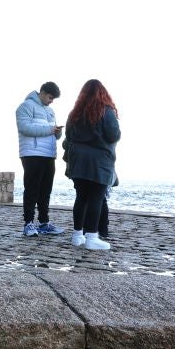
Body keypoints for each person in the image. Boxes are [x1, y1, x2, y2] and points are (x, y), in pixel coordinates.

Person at [62, 79, 121, 250]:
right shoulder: (106, 111)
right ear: (102, 93)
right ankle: (92, 237)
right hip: (99, 162)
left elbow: (68, 137)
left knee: (81, 197)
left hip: (78, 162)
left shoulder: (74, 114)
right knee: (96, 198)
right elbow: (113, 135)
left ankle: (77, 235)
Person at [16, 82, 66, 237]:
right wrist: (50, 130)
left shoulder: (50, 110)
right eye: (50, 97)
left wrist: (57, 132)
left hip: (49, 154)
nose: (51, 101)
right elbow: (25, 128)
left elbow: (53, 133)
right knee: (32, 189)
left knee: (45, 191)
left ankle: (44, 222)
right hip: (32, 153)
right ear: (42, 93)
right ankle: (28, 224)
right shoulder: (25, 106)